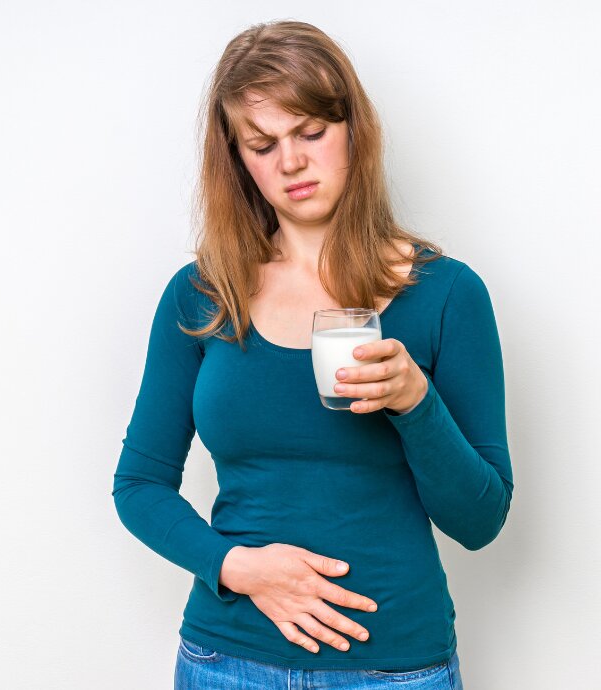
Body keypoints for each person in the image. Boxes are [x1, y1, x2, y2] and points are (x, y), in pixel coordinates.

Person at [111, 19, 513, 690]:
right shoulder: (202, 296)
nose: (290, 162)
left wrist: (416, 402)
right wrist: (236, 567)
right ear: (237, 159)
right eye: (263, 144)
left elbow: (480, 521)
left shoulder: (446, 295)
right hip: (226, 662)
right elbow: (138, 485)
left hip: (396, 668)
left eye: (311, 133)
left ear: (354, 128)